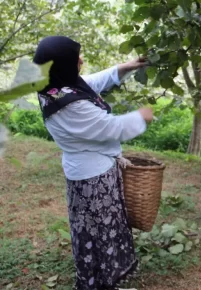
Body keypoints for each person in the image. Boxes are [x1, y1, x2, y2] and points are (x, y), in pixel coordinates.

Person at [33, 36, 153, 290]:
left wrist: (126, 66)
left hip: (92, 172)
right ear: (62, 66)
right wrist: (141, 117)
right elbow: (112, 127)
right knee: (99, 235)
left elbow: (91, 82)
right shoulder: (69, 106)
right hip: (93, 179)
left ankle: (102, 283)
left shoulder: (53, 86)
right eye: (75, 59)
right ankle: (98, 284)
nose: (82, 61)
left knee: (96, 233)